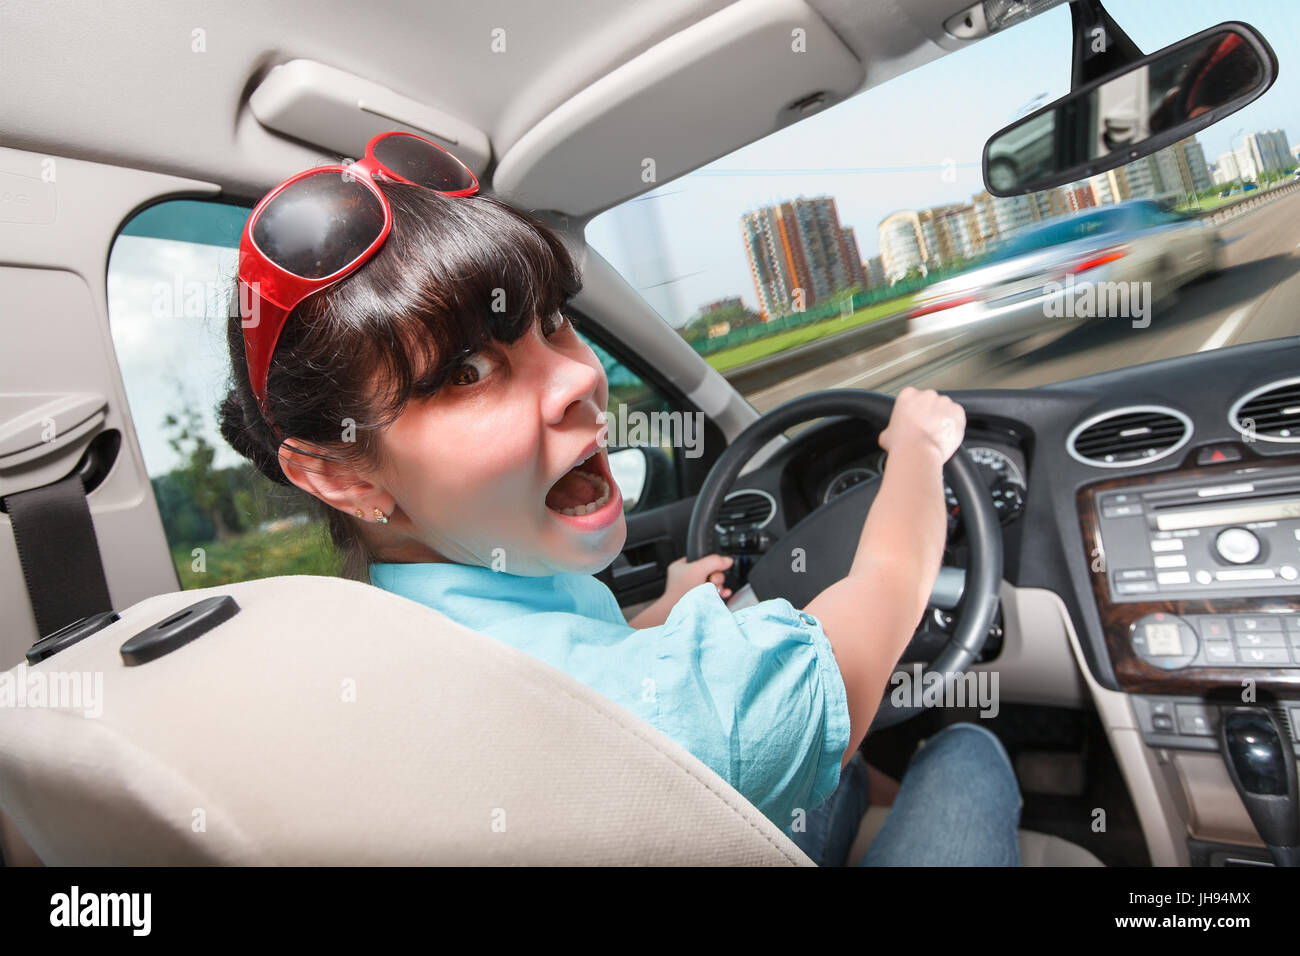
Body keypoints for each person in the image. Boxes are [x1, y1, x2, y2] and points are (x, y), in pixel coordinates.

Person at [219, 131, 1021, 864]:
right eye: (465, 371)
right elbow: (884, 593)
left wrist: (656, 616)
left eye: (555, 321)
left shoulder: (393, 631)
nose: (579, 378)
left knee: (842, 785)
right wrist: (917, 448)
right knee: (966, 756)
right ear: (342, 476)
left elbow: (569, 662)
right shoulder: (675, 719)